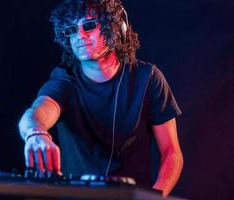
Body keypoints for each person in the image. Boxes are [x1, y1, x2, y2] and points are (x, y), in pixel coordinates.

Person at [18, 0, 183, 197]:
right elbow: (39, 111)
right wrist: (36, 134)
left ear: (114, 27)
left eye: (89, 25)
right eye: (71, 29)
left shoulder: (147, 78)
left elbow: (172, 153)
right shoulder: (64, 80)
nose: (80, 35)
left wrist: (155, 197)